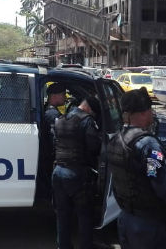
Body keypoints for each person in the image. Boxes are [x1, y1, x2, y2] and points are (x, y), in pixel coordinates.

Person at [107, 87, 166, 249]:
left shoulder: (116, 139)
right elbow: (163, 185)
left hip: (126, 220)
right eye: (149, 110)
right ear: (141, 113)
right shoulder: (148, 145)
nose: (152, 114)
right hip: (149, 227)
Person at [51, 96, 102, 249]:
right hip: (77, 173)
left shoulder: (61, 118)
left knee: (62, 214)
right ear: (89, 108)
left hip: (58, 172)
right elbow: (94, 146)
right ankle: (86, 245)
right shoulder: (87, 121)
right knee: (84, 214)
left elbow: (55, 143)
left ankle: (63, 245)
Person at [36, 83, 67, 201]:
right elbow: (58, 137)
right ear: (54, 96)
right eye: (63, 94)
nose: (65, 97)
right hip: (50, 156)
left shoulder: (48, 110)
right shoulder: (52, 114)